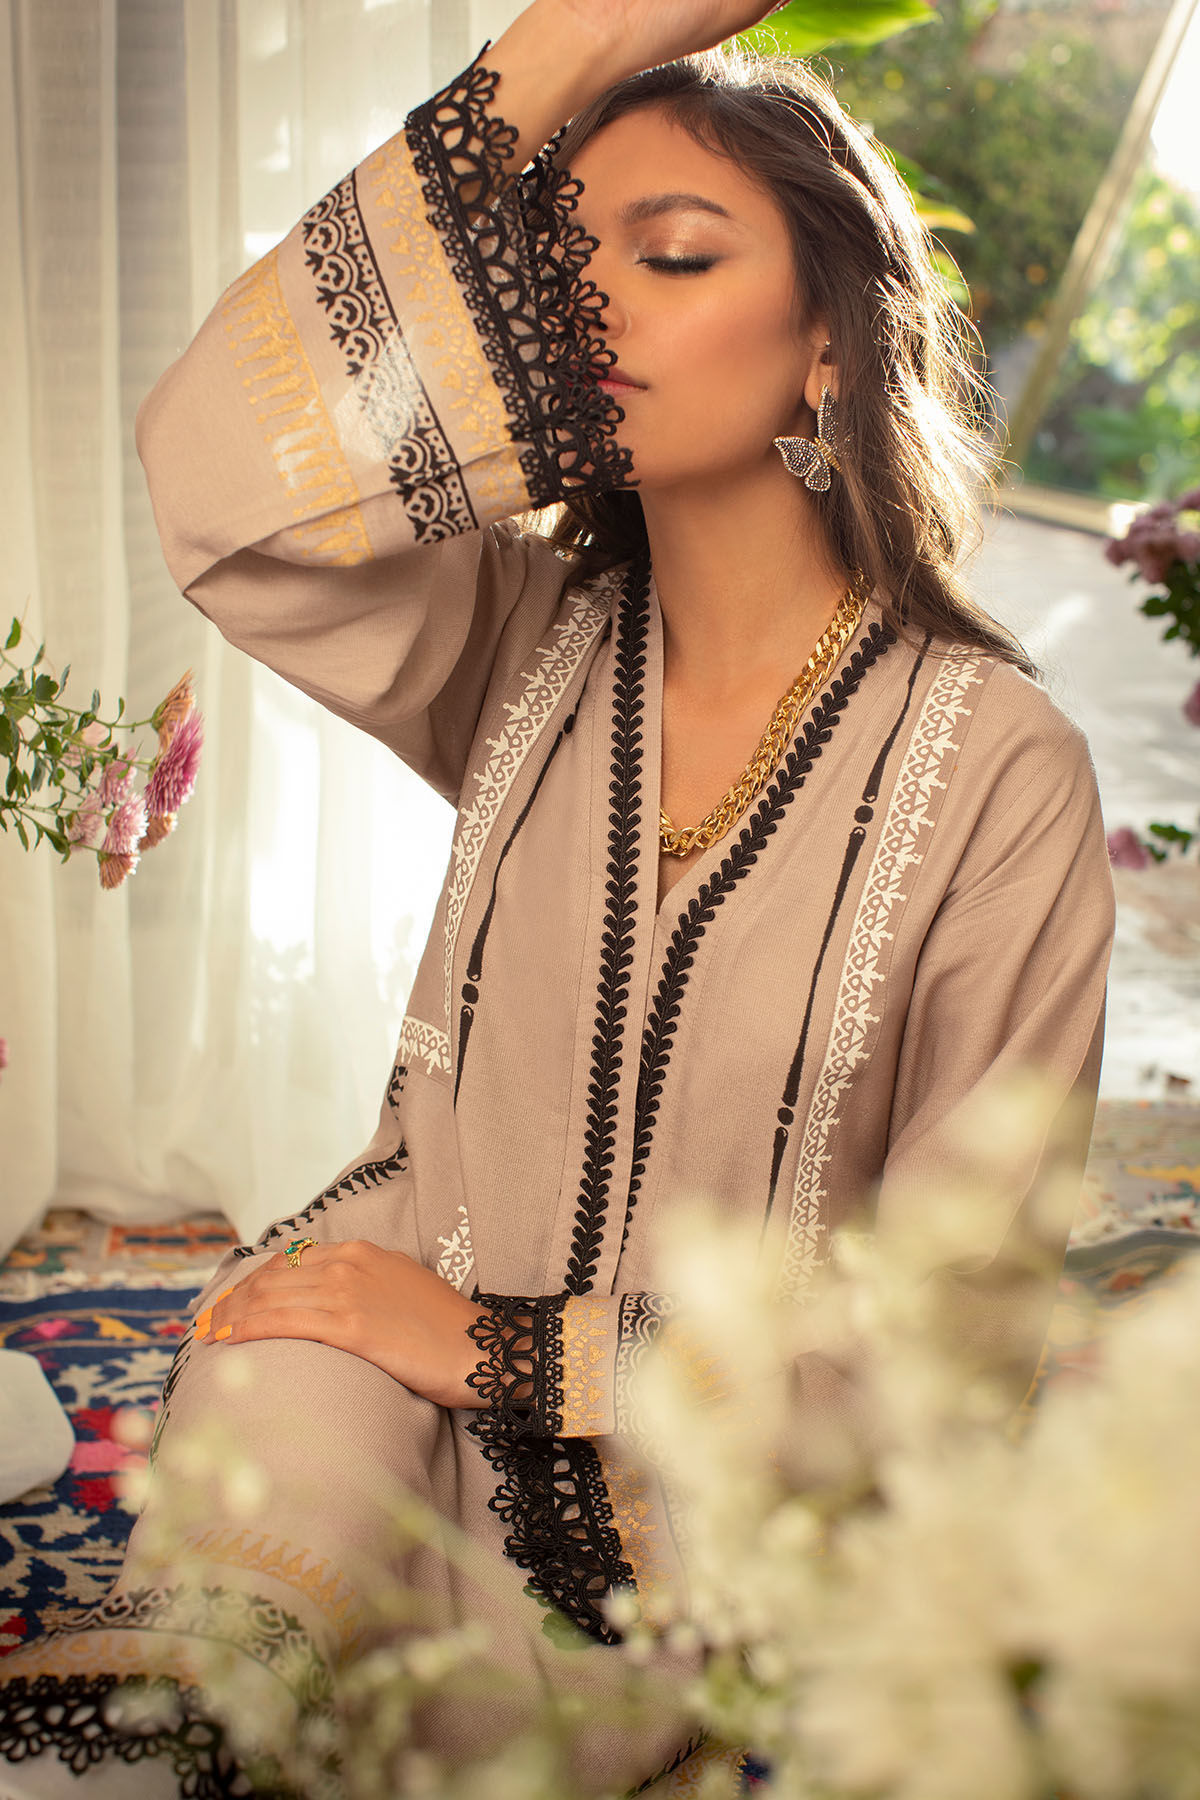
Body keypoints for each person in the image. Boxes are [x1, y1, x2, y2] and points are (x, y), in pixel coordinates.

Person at [0, 0, 1115, 1792]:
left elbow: (959, 1331)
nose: (589, 308)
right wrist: (583, 35)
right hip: (387, 1345)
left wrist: (511, 1353)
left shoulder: (998, 774)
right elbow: (213, 480)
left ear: (830, 344)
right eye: (557, 266)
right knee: (241, 1534)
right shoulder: (525, 645)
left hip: (719, 1476)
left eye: (670, 256)